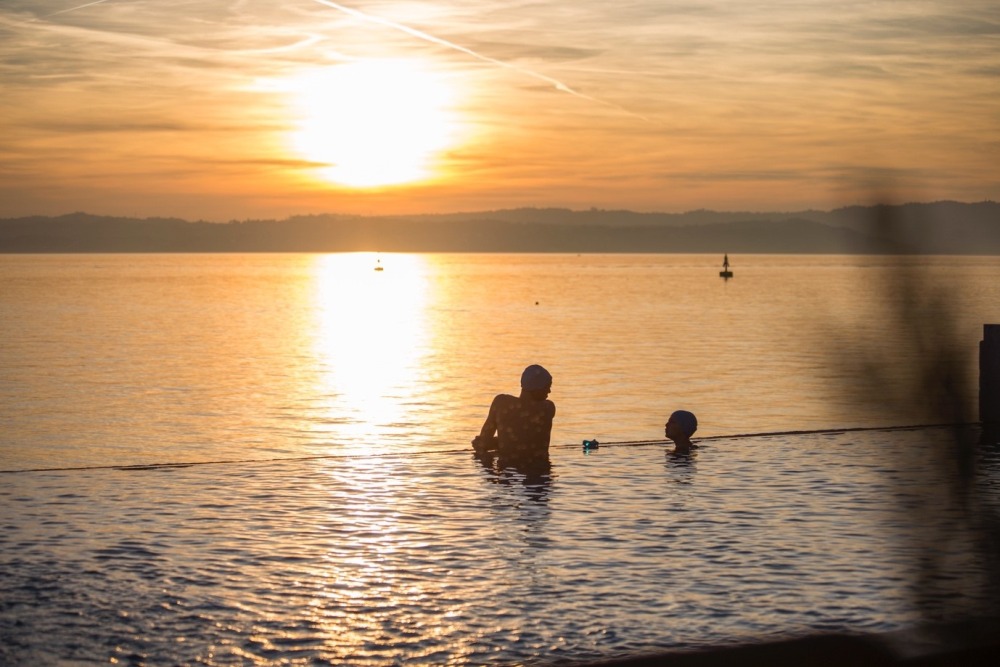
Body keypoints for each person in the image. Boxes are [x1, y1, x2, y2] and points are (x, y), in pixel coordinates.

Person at [473, 364, 555, 469]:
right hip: (539, 472)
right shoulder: (547, 408)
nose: (549, 391)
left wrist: (494, 443)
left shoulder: (501, 403)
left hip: (507, 472)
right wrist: (500, 442)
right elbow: (527, 441)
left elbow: (484, 442)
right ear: (536, 388)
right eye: (547, 387)